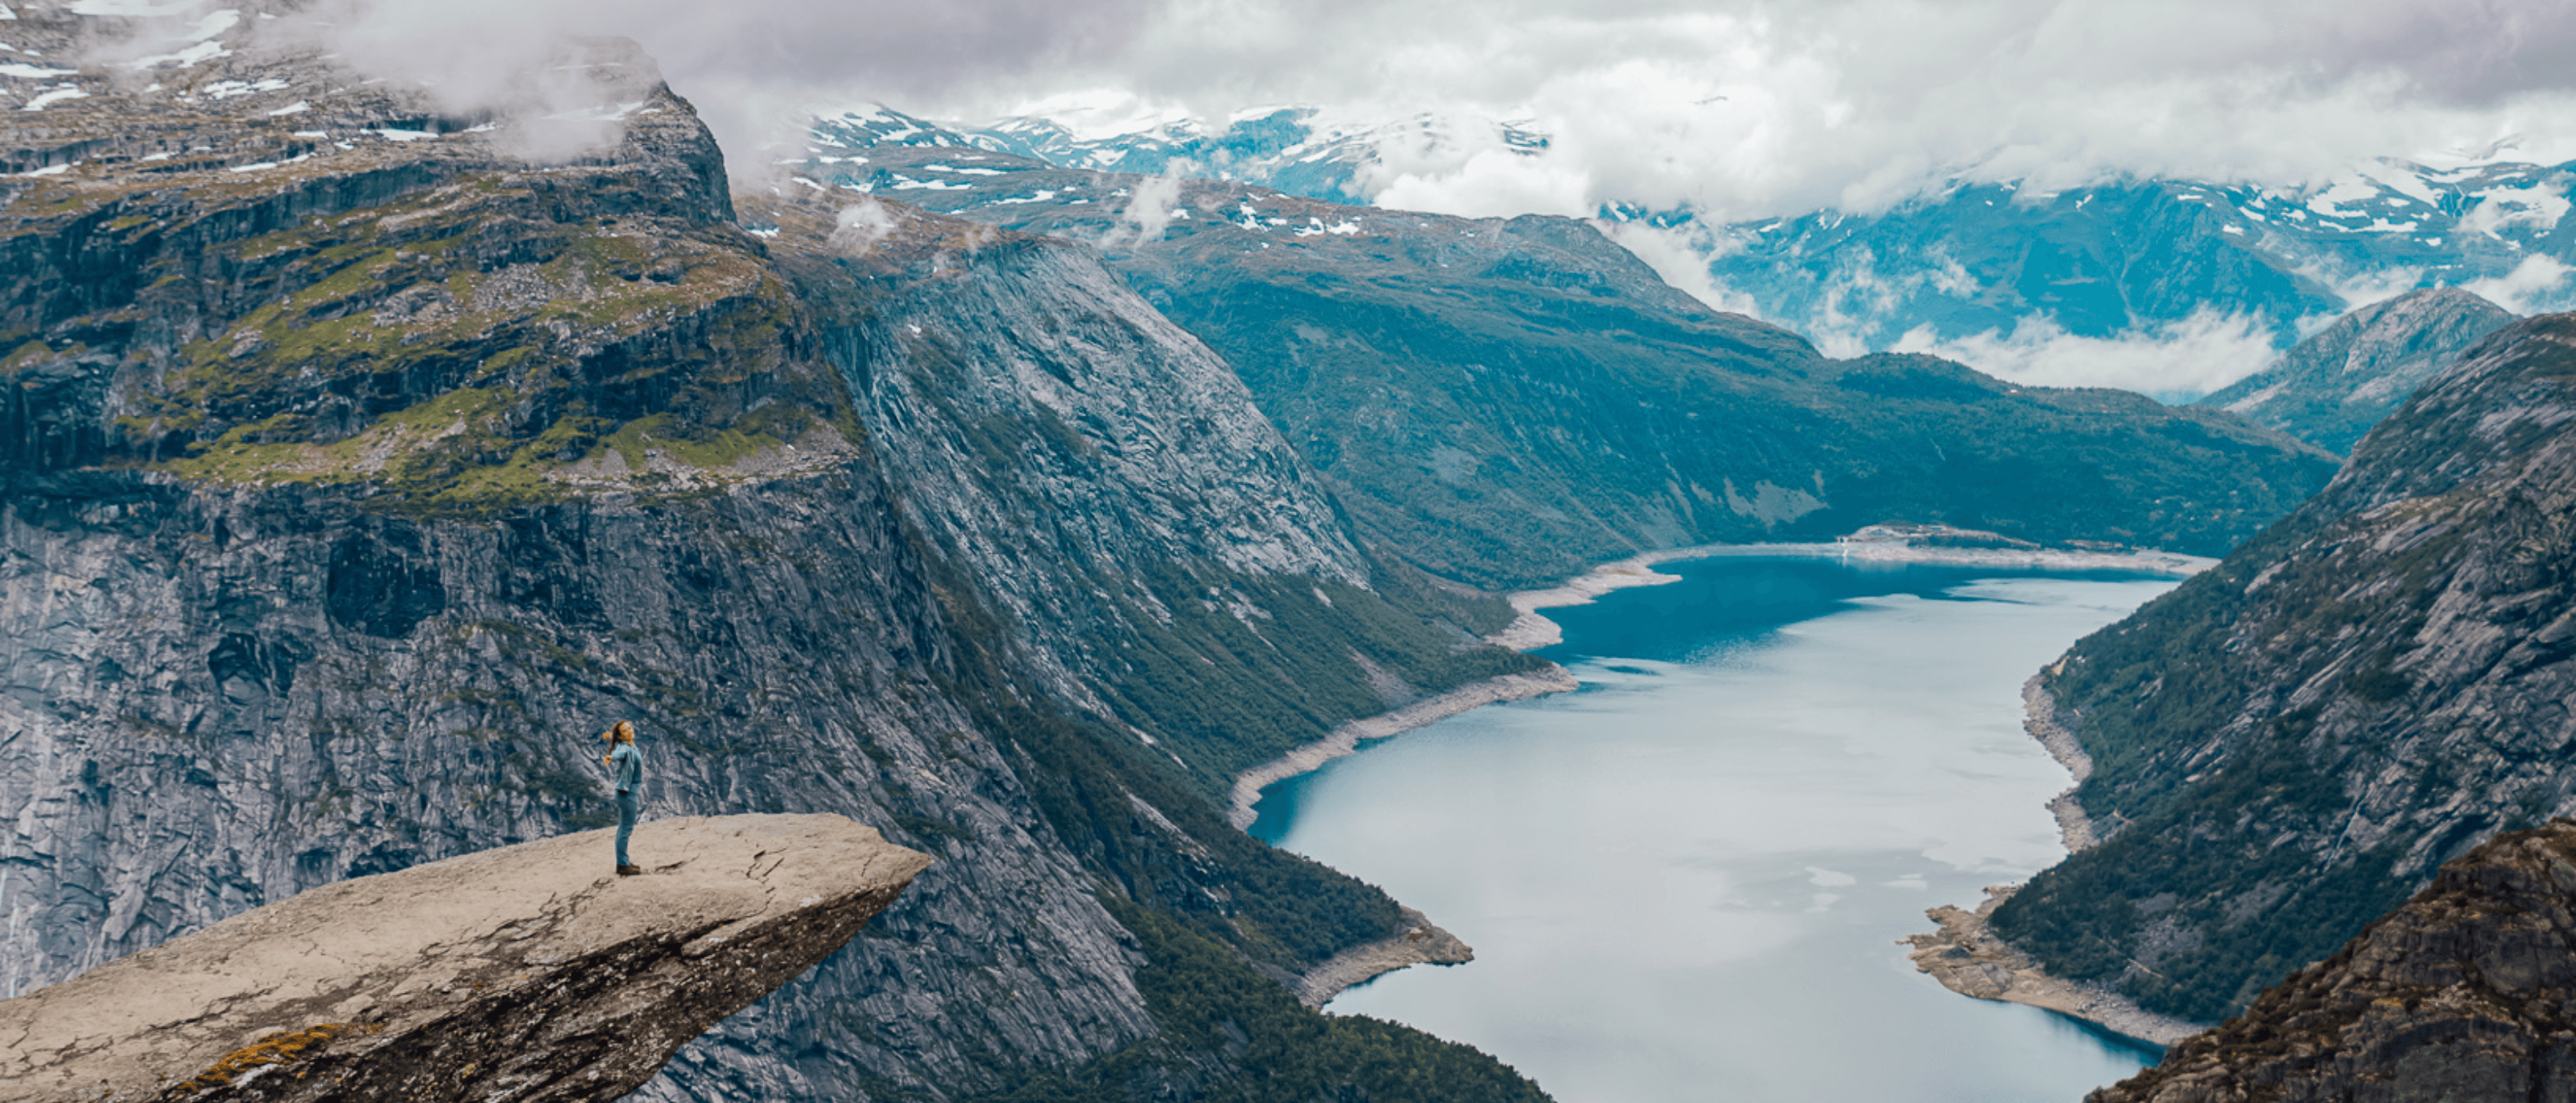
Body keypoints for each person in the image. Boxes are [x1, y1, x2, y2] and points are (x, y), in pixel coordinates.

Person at [601, 721, 643, 876]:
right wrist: (610, 757)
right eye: (625, 731)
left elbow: (619, 744)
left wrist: (610, 737)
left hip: (625, 793)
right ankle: (623, 865)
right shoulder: (624, 748)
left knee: (623, 828)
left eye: (630, 728)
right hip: (627, 794)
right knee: (625, 830)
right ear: (621, 736)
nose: (630, 731)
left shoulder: (630, 744)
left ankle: (623, 861)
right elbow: (619, 753)